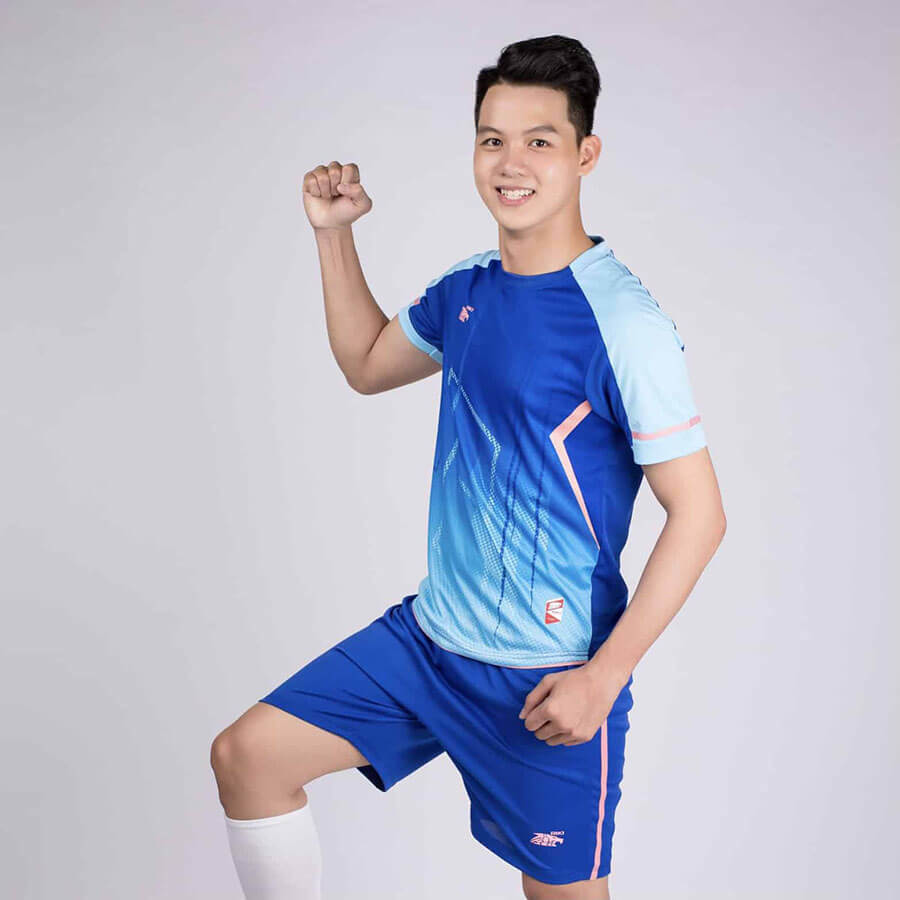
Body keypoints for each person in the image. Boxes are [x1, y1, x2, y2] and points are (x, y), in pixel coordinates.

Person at [210, 33, 726, 900]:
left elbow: (701, 516)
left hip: (546, 678)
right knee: (247, 758)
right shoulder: (469, 286)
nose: (510, 163)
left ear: (585, 154)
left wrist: (603, 679)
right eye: (492, 139)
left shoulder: (625, 325)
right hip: (430, 644)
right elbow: (367, 364)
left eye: (539, 140)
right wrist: (334, 236)